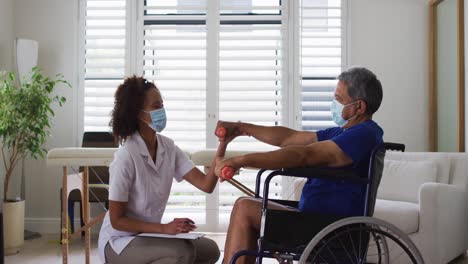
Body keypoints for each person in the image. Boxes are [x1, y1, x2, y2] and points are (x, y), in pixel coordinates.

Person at [213, 67, 384, 264]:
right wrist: (242, 127)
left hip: (331, 227)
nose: (334, 104)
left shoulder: (364, 135)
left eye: (339, 99)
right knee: (246, 205)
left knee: (245, 208)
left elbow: (305, 155)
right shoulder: (342, 133)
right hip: (315, 219)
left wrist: (240, 160)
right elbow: (290, 138)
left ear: (359, 107)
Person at [98, 76, 224, 264]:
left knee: (210, 250)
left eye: (162, 105)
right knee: (183, 253)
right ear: (139, 114)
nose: (162, 111)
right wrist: (165, 228)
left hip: (148, 236)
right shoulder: (126, 157)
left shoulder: (168, 147)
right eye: (156, 106)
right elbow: (117, 221)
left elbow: (206, 184)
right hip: (119, 242)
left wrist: (224, 142)